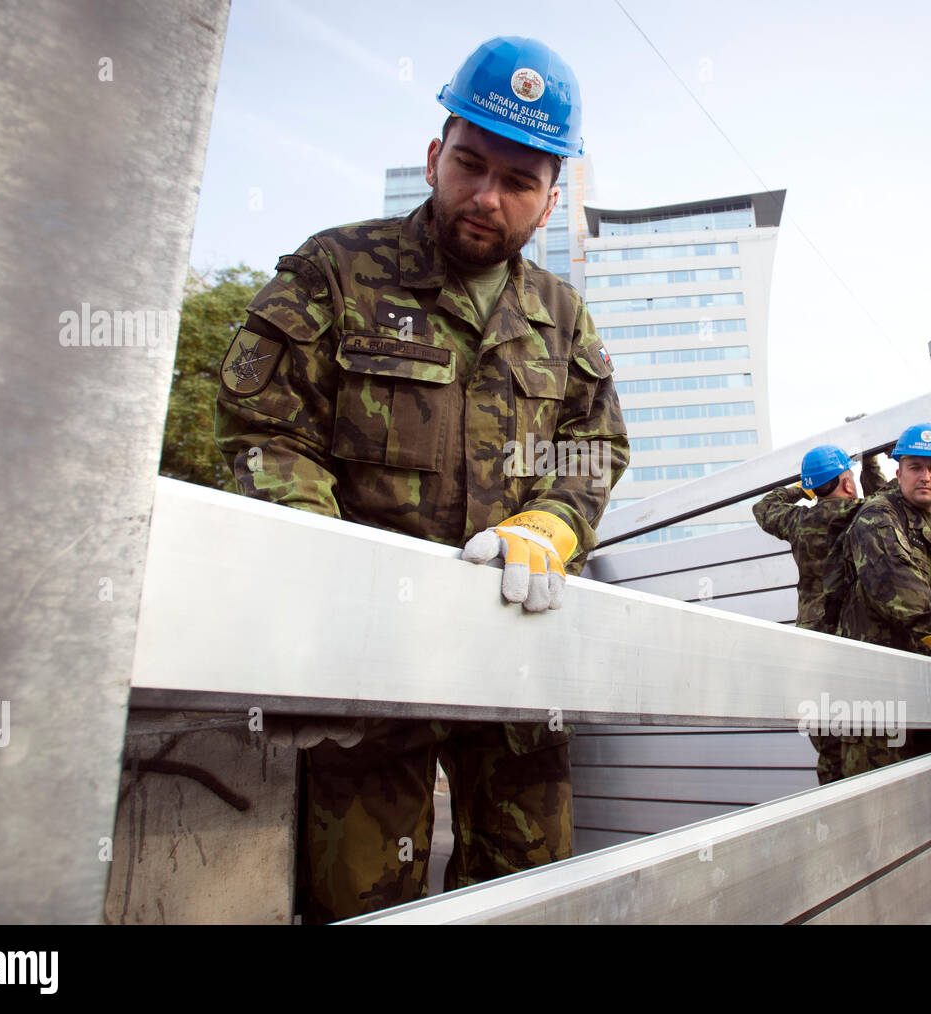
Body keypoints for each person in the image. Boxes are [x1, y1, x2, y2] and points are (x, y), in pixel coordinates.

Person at [213, 36, 629, 921]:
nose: (487, 197)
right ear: (436, 156)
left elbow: (595, 447)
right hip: (369, 667)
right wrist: (334, 575)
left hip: (514, 669)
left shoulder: (561, 315)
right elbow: (264, 432)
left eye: (519, 181)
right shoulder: (336, 270)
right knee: (358, 900)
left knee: (524, 898)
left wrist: (553, 523)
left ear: (550, 201)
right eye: (471, 164)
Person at [831, 424, 931, 777]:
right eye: (915, 467)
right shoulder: (878, 517)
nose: (925, 477)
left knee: (927, 792)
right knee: (875, 799)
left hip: (923, 685)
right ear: (898, 473)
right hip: (875, 695)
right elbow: (897, 586)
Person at [752, 445, 886, 783]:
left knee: (828, 739)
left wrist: (802, 488)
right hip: (853, 639)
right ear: (847, 484)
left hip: (811, 644)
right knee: (866, 732)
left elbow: (763, 507)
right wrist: (871, 461)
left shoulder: (800, 521)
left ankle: (833, 797)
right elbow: (886, 495)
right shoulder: (862, 514)